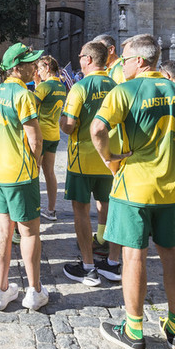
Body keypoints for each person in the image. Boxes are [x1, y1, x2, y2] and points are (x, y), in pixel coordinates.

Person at [91, 34, 175, 349]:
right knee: (172, 255)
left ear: (138, 60)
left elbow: (97, 129)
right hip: (170, 188)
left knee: (134, 256)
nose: (120, 63)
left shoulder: (125, 90)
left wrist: (109, 159)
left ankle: (134, 330)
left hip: (133, 186)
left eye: (123, 58)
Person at [0, 42, 49, 311]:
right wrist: (35, 166)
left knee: (2, 231)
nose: (35, 67)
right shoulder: (24, 95)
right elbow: (35, 140)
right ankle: (34, 291)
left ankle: (0, 290)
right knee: (29, 233)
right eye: (30, 63)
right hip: (19, 173)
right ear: (17, 68)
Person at [59, 41, 121, 286]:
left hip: (82, 160)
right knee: (110, 208)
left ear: (87, 59)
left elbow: (69, 126)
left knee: (81, 212)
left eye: (80, 55)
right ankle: (112, 261)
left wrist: (62, 121)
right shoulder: (117, 87)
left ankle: (87, 266)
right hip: (110, 158)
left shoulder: (79, 88)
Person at [34, 55, 67, 221]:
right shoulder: (61, 86)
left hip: (41, 134)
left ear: (47, 67)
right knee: (50, 173)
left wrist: (36, 86)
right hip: (54, 135)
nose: (38, 73)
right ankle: (51, 209)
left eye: (39, 68)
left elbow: (30, 105)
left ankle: (34, 207)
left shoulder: (44, 86)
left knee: (35, 171)